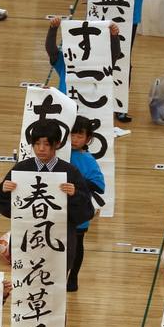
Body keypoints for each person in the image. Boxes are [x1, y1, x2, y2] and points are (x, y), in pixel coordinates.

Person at [0, 119, 94, 327]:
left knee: (55, 295)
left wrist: (76, 195)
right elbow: (3, 206)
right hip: (28, 244)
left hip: (61, 244)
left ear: (57, 145)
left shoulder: (69, 172)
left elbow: (86, 213)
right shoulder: (21, 169)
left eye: (46, 144)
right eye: (37, 144)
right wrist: (4, 191)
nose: (41, 149)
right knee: (28, 294)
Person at [68, 0, 161, 122]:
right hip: (99, 8)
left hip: (127, 11)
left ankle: (120, 105)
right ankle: (93, 100)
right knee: (94, 55)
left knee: (122, 57)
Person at [67, 116, 105, 292]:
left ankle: (73, 277)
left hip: (78, 209)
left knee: (77, 244)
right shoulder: (58, 153)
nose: (74, 139)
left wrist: (77, 182)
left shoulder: (87, 159)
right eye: (71, 135)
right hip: (57, 209)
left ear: (88, 139)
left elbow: (99, 185)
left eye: (79, 136)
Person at [45, 17, 123, 96]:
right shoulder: (66, 60)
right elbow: (52, 51)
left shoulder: (99, 60)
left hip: (93, 105)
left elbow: (114, 54)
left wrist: (114, 37)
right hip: (67, 104)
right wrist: (53, 29)